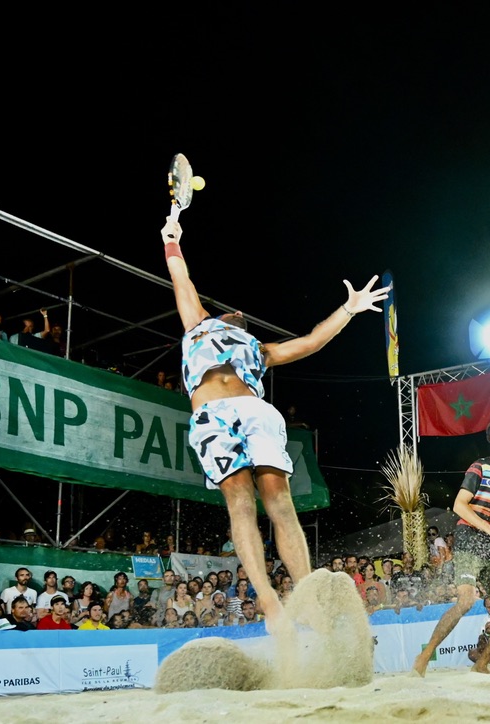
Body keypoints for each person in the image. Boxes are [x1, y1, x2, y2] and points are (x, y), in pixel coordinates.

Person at [160, 216, 388, 620]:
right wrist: (172, 239)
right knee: (241, 504)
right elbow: (181, 277)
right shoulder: (198, 324)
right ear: (222, 316)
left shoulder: (260, 349)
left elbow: (313, 341)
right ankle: (265, 596)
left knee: (280, 503)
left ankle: (309, 596)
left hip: (256, 412)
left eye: (241, 313)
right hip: (212, 416)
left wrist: (348, 310)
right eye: (232, 311)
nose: (239, 311)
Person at [412, 417, 490, 676]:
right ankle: (425, 655)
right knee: (465, 601)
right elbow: (459, 505)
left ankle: (481, 663)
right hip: (470, 541)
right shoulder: (480, 467)